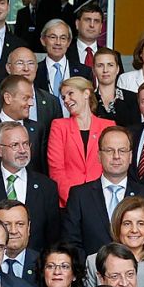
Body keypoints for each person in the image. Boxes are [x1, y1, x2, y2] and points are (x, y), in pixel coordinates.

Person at [64, 127, 144, 253]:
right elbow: (71, 243)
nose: (116, 156)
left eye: (122, 151)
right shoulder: (79, 195)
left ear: (131, 156)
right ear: (99, 156)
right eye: (109, 150)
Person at [0, 119, 61, 248]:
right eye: (15, 145)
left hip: (34, 263)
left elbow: (53, 237)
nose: (22, 150)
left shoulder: (47, 186)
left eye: (26, 144)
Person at [46, 77, 115, 205]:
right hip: (69, 202)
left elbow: (112, 165)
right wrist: (75, 201)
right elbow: (56, 170)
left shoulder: (108, 126)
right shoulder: (59, 126)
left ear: (86, 93)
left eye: (70, 93)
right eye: (63, 97)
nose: (66, 100)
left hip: (103, 200)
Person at [0, 72, 54, 175]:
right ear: (8, 98)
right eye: (25, 98)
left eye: (31, 98)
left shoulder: (38, 129)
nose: (31, 103)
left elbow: (42, 171)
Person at [35, 19, 92, 113]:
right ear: (43, 40)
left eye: (63, 38)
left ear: (69, 42)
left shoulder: (84, 72)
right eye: (53, 37)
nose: (58, 43)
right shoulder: (35, 71)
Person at [0, 199, 40, 283]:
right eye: (6, 225)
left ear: (28, 228)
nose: (13, 231)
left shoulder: (43, 263)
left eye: (20, 224)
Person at [90, 48, 135, 126]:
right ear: (94, 70)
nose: (105, 70)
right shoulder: (88, 100)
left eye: (110, 65)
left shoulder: (133, 99)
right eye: (100, 65)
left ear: (117, 69)